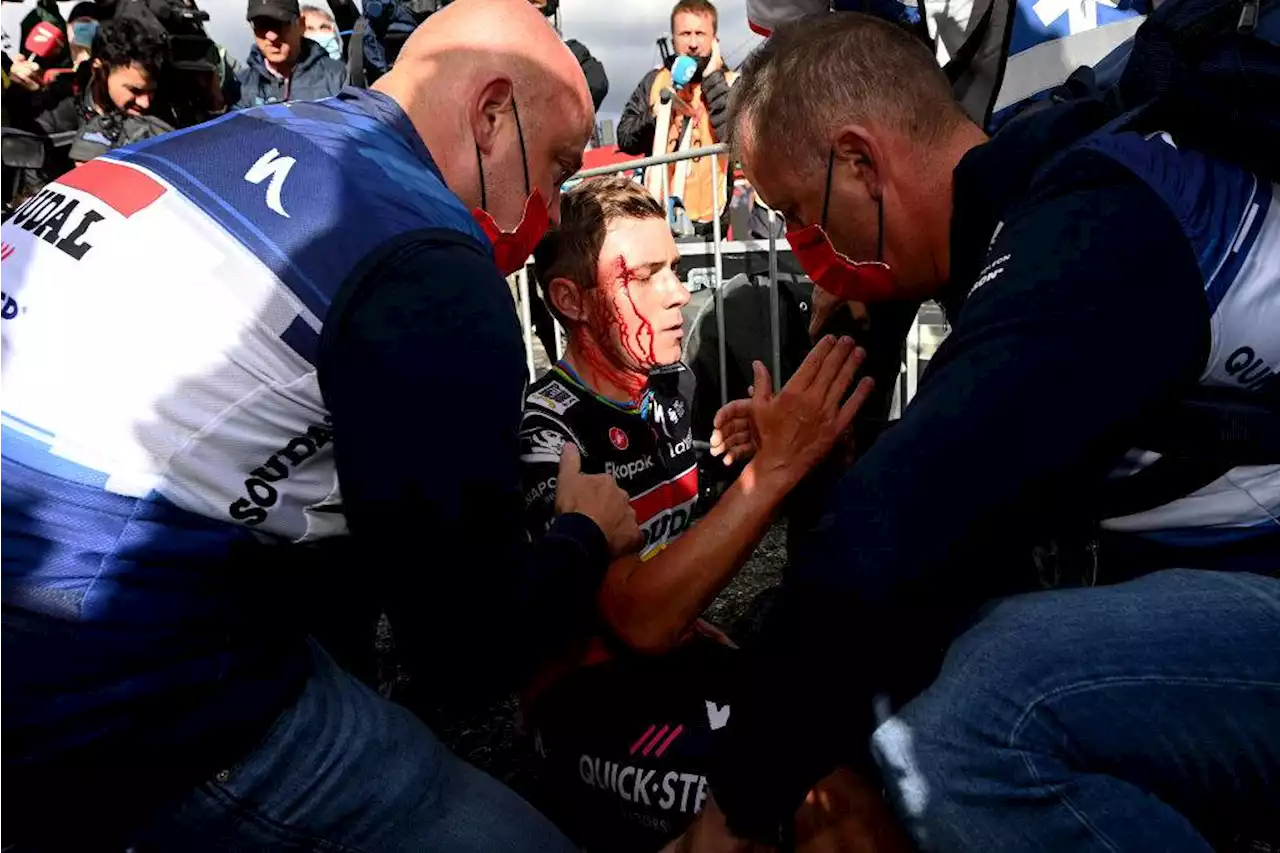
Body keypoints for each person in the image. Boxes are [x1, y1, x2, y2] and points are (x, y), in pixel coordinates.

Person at [0, 0, 641, 850]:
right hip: (99, 686)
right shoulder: (425, 250)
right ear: (492, 115)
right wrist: (582, 538)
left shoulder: (236, 134)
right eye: (557, 168)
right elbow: (461, 650)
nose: (555, 213)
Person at [669, 11, 1280, 852]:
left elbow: (888, 533)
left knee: (957, 733)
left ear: (860, 162)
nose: (807, 254)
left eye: (802, 216)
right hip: (1236, 578)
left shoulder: (1089, 228)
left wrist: (735, 807)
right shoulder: (1037, 210)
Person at [520, 175, 872, 851]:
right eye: (646, 275)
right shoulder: (548, 431)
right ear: (571, 299)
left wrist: (737, 459)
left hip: (678, 669)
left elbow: (675, 531)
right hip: (587, 704)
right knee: (824, 808)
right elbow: (641, 619)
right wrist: (772, 474)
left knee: (861, 745)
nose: (680, 292)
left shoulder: (667, 386)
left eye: (676, 269)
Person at [616, 0, 736, 236]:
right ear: (673, 41)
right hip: (658, 219)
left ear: (715, 40)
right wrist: (655, 115)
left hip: (712, 222)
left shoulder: (732, 83)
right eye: (685, 34)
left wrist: (713, 79)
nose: (693, 43)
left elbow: (736, 137)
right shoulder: (655, 81)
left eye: (700, 33)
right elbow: (626, 138)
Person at [236, 0, 346, 108]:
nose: (271, 37)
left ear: (301, 24)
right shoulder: (240, 87)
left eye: (280, 24)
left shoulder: (337, 76)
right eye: (261, 25)